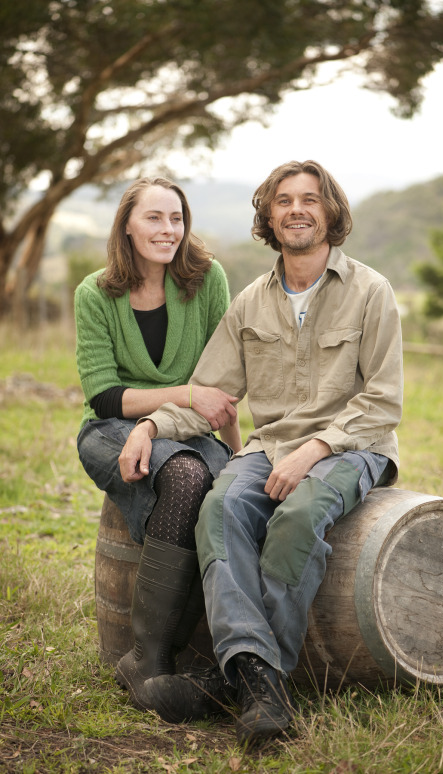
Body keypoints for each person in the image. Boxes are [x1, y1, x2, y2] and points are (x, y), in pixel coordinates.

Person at [118, 160, 404, 746]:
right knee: (220, 509)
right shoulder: (250, 301)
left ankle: (235, 683)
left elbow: (383, 401)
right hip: (269, 446)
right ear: (268, 216)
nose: (297, 209)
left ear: (330, 212)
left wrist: (317, 448)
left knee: (298, 516)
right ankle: (257, 679)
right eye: (284, 201)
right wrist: (150, 424)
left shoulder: (372, 292)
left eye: (310, 199)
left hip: (353, 446)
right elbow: (212, 397)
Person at [74, 176, 242, 713]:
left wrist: (229, 443)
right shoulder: (94, 293)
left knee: (215, 485)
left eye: (177, 218)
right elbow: (104, 397)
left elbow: (223, 382)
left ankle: (196, 653)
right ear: (127, 223)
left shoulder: (208, 278)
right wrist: (189, 392)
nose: (168, 230)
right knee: (186, 476)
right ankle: (148, 657)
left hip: (187, 428)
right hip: (108, 432)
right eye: (154, 218)